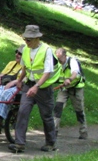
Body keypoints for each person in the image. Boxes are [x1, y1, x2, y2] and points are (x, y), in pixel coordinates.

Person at [8, 25, 61, 153]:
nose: (26, 42)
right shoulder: (26, 49)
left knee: (46, 116)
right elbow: (25, 68)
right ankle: (19, 143)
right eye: (25, 39)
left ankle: (50, 143)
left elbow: (47, 72)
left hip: (44, 88)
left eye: (29, 40)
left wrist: (37, 87)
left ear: (37, 38)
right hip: (29, 85)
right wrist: (20, 81)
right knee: (22, 112)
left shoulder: (46, 50)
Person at [54, 48, 88, 139]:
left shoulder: (72, 61)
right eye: (57, 58)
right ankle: (54, 131)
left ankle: (83, 131)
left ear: (65, 55)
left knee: (79, 110)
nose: (59, 60)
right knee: (58, 107)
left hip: (76, 89)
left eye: (60, 58)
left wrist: (69, 79)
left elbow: (75, 73)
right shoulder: (57, 63)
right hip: (64, 88)